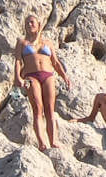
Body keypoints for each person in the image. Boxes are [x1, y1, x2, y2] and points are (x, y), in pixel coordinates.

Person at [15, 15, 71, 150]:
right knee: (37, 108)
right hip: (31, 76)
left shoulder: (48, 43)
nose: (29, 24)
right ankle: (42, 142)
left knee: (50, 109)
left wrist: (65, 76)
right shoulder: (22, 43)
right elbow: (17, 61)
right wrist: (17, 77)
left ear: (39, 25)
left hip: (48, 75)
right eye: (27, 22)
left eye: (32, 22)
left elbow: (55, 62)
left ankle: (54, 141)